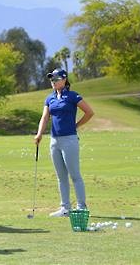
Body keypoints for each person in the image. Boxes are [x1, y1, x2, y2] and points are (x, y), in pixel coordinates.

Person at [34, 68, 94, 217]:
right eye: (51, 80)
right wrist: (39, 133)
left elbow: (89, 112)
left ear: (64, 80)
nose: (53, 82)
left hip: (69, 140)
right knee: (61, 176)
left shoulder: (73, 96)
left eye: (56, 79)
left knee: (75, 175)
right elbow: (45, 117)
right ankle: (65, 207)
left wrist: (77, 125)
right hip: (54, 140)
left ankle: (81, 207)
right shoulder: (49, 98)